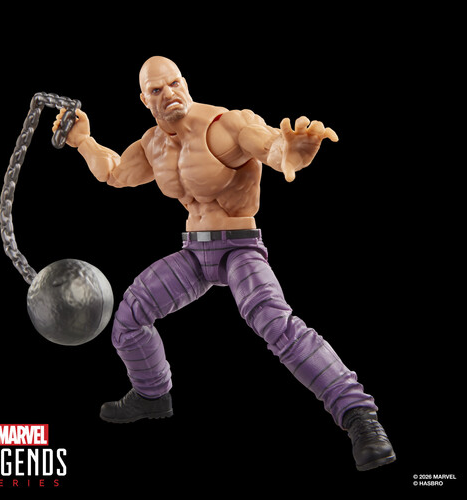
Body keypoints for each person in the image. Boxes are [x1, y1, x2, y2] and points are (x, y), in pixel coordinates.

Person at [53, 56, 395, 471]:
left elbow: (266, 143)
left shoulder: (224, 125)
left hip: (239, 249)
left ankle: (359, 416)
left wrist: (288, 150)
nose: (169, 93)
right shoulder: (152, 144)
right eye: (157, 90)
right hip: (195, 253)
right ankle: (152, 395)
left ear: (185, 82)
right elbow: (114, 173)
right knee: (130, 315)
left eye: (174, 83)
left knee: (274, 321)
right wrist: (84, 141)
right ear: (145, 99)